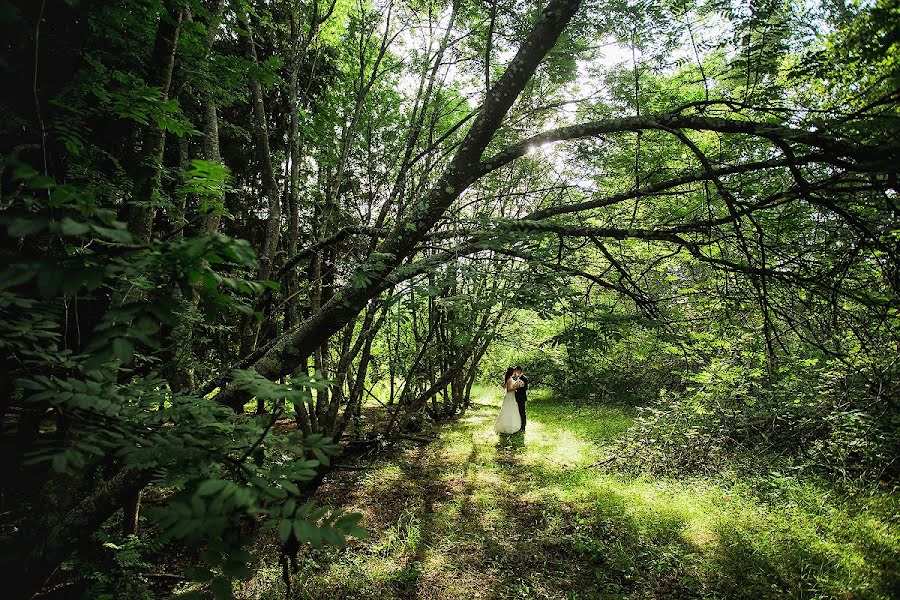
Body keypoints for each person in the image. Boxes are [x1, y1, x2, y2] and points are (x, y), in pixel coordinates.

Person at [493, 367, 523, 434]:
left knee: (511, 410)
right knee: (508, 410)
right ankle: (507, 426)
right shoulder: (509, 380)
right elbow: (509, 390)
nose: (514, 373)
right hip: (509, 397)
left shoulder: (510, 379)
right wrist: (516, 387)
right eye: (513, 372)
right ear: (511, 372)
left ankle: (510, 425)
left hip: (511, 396)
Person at [513, 365, 528, 431]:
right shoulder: (516, 378)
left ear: (520, 371)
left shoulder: (524, 378)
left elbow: (525, 388)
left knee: (522, 411)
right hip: (516, 397)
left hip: (521, 397)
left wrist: (519, 387)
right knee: (517, 411)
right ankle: (518, 425)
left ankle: (523, 426)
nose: (516, 372)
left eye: (517, 370)